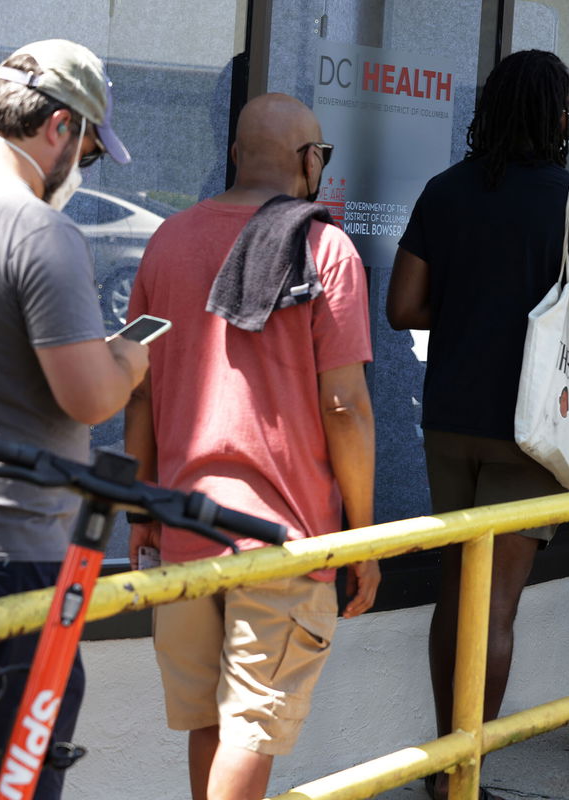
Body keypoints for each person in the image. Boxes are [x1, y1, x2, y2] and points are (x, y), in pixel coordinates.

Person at [124, 93, 379, 800]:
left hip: (181, 526)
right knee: (252, 729)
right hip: (283, 539)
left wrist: (142, 508)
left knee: (212, 720)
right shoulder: (325, 248)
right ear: (308, 162)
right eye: (321, 156)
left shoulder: (165, 241)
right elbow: (345, 406)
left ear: (235, 154)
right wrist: (362, 532)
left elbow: (140, 392)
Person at [387, 49, 569, 800]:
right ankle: (463, 772)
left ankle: (442, 761)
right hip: (533, 432)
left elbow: (402, 307)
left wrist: (472, 314)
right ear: (554, 116)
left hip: (451, 421)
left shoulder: (444, 192)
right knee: (496, 607)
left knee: (457, 594)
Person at [0, 39, 146, 800]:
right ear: (57, 126)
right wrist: (129, 359)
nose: (80, 166)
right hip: (3, 555)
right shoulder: (36, 230)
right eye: (86, 145)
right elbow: (90, 397)